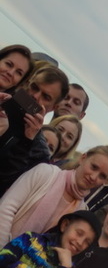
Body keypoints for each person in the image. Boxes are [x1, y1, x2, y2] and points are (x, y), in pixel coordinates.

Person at [0, 146, 108, 244]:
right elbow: (6, 208)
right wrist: (5, 253)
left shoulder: (82, 211)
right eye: (93, 167)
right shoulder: (46, 173)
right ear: (83, 158)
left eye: (102, 176)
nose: (93, 177)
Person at [0, 65, 71, 193]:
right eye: (34, 88)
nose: (35, 96)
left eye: (46, 97)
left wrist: (26, 142)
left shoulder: (40, 152)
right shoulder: (3, 102)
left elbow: (6, 184)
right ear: (28, 83)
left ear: (53, 107)